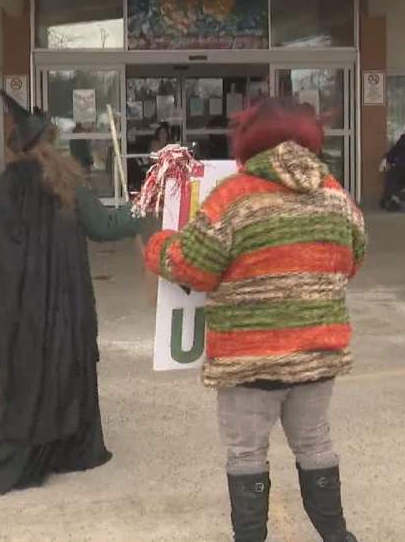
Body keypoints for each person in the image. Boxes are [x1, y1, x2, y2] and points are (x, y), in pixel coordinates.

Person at [144, 98, 366, 542]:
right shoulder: (334, 194)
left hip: (249, 359)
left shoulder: (234, 197)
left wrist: (159, 246)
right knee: (315, 444)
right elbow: (353, 257)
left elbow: (195, 265)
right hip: (317, 355)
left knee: (246, 454)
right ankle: (338, 536)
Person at [0, 92, 143, 494]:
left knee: (29, 372)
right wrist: (144, 209)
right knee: (67, 366)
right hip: (64, 305)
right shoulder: (67, 182)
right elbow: (105, 227)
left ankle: (27, 448)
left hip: (24, 311)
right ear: (50, 144)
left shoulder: (2, 189)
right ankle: (71, 448)